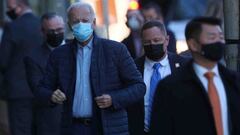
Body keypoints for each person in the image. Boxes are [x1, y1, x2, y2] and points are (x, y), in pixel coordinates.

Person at [36, 2, 146, 135]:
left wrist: (114, 99)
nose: (81, 24)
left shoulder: (115, 50)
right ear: (69, 25)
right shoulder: (59, 55)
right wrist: (51, 96)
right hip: (73, 127)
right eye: (76, 21)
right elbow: (41, 89)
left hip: (108, 126)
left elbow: (139, 86)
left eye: (85, 20)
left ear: (93, 23)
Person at [150, 17, 240, 135]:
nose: (218, 42)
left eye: (221, 37)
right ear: (193, 44)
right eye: (212, 37)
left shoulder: (233, 81)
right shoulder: (170, 87)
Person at [127, 20, 188, 135]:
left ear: (166, 40)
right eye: (147, 42)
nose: (152, 45)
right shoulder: (132, 68)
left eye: (156, 40)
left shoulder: (184, 65)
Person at [0, 0, 42, 135]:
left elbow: (3, 61)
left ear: (18, 7)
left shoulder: (12, 27)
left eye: (10, 7)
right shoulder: (43, 24)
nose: (8, 11)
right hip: (42, 89)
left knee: (21, 130)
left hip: (18, 92)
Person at [24, 12, 65, 135]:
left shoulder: (77, 48)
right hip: (52, 121)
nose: (56, 34)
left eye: (59, 29)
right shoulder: (33, 57)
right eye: (51, 31)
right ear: (43, 32)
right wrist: (52, 95)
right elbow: (37, 87)